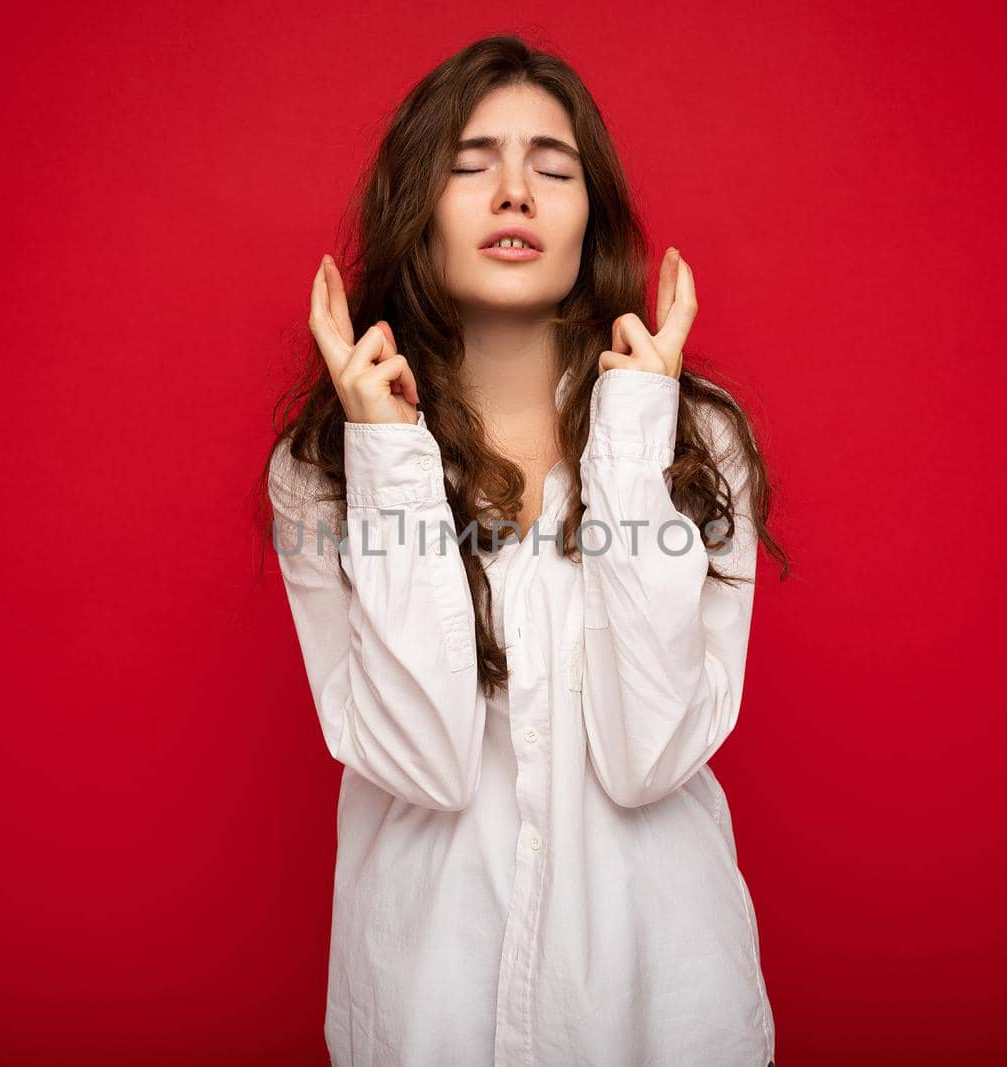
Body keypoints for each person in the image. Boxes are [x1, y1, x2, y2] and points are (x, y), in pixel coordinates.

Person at [259, 33, 791, 1067]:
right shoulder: (325, 464)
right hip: (427, 1007)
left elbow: (648, 755)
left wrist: (635, 429)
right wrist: (389, 455)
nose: (514, 193)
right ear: (418, 205)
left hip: (662, 1003)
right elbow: (421, 758)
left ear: (589, 218)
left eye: (553, 168)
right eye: (471, 165)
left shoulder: (693, 437)